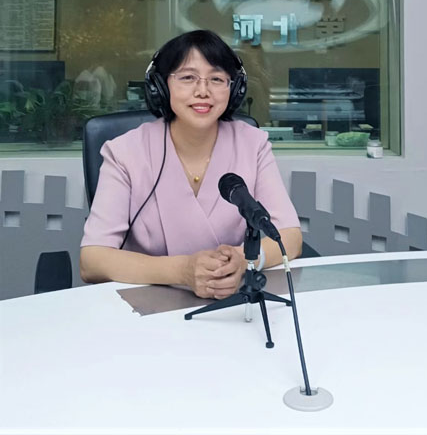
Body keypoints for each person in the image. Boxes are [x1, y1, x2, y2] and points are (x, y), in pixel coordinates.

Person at [80, 30, 302, 299]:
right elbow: (92, 260)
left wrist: (244, 259)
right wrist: (183, 271)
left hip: (233, 303)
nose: (203, 91)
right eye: (187, 77)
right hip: (146, 304)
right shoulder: (124, 152)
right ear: (160, 86)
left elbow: (290, 237)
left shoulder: (253, 144)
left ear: (234, 90)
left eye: (217, 79)